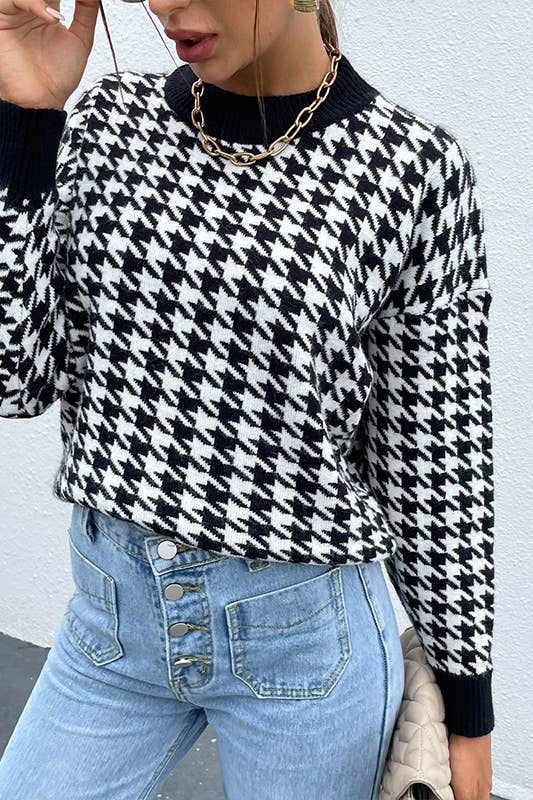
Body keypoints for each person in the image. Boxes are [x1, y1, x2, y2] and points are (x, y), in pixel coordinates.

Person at [0, 0, 495, 798]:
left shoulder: (411, 169)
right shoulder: (106, 122)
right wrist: (25, 123)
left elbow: (436, 462)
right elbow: (14, 380)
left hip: (306, 648)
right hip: (111, 627)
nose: (165, 4)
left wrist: (467, 710)